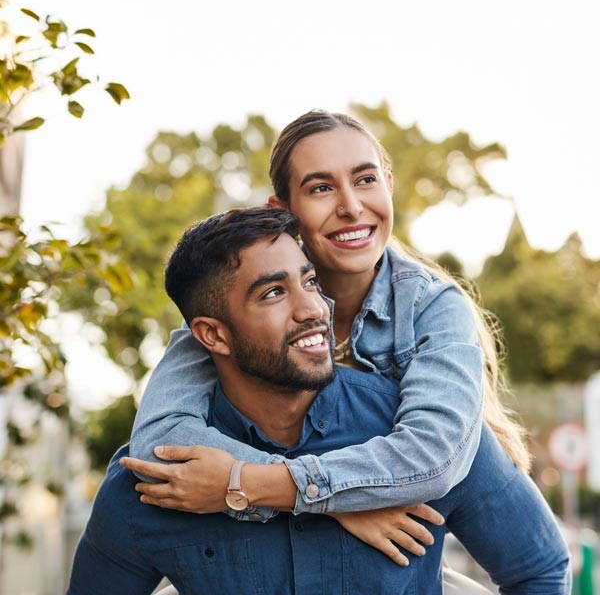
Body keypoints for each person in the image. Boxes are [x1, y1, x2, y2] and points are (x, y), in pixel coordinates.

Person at [69, 208, 570, 594]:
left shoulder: (422, 432)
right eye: (272, 293)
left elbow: (540, 570)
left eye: (309, 281)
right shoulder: (156, 484)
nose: (312, 308)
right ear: (212, 336)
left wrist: (252, 485)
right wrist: (334, 505)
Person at [128, 110, 528, 524]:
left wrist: (252, 485)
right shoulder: (235, 306)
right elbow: (158, 443)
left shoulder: (432, 307)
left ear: (389, 186)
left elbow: (431, 456)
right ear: (284, 209)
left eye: (365, 179)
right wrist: (336, 507)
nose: (352, 207)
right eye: (320, 188)